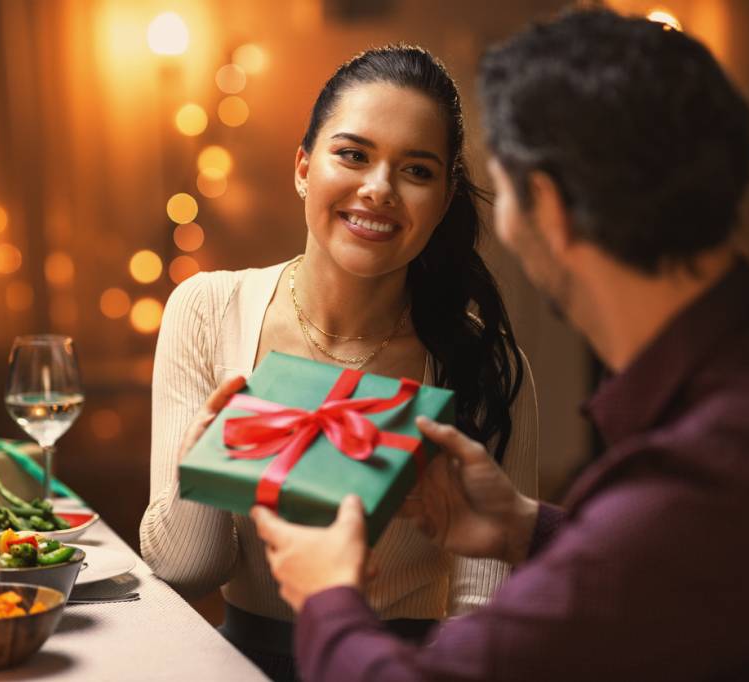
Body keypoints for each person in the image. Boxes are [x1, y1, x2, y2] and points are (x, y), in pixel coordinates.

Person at [247, 9, 749, 681]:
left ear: (548, 208)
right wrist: (526, 525)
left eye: (499, 191)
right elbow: (682, 569)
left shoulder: (693, 483)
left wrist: (327, 593)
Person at [140, 46, 538, 681]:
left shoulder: (480, 363)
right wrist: (205, 469)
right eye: (353, 155)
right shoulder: (207, 309)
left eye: (416, 170)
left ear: (443, 198)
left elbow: (483, 618)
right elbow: (186, 571)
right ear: (303, 167)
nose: (378, 189)